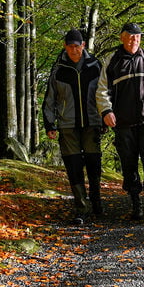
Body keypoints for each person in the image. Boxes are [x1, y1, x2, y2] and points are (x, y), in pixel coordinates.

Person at [97, 22, 144, 220]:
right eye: (129, 36)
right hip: (123, 121)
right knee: (128, 162)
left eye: (137, 37)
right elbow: (102, 90)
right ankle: (135, 202)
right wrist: (106, 111)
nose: (134, 40)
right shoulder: (112, 61)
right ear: (122, 38)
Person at [43, 29, 104, 224]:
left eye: (77, 46)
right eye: (70, 46)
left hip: (92, 122)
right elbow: (50, 99)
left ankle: (96, 199)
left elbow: (104, 93)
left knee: (94, 163)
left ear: (83, 45)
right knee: (74, 166)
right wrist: (49, 124)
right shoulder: (58, 70)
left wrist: (105, 117)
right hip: (67, 125)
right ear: (65, 47)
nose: (74, 50)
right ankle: (82, 207)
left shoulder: (95, 66)